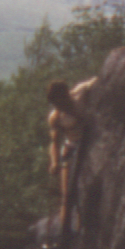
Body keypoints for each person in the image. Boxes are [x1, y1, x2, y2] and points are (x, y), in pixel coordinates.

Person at [46, 77, 95, 230]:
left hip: (91, 143)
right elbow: (55, 142)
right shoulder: (56, 117)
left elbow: (98, 80)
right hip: (72, 147)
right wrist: (55, 162)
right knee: (66, 195)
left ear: (67, 95)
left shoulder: (80, 94)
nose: (59, 106)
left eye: (61, 101)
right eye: (55, 104)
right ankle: (64, 231)